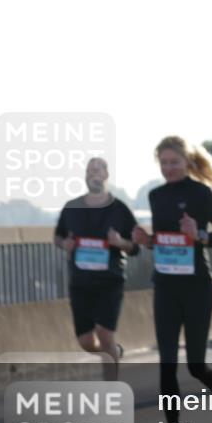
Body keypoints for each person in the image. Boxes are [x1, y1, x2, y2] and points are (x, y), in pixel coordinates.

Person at [131, 137, 212, 423]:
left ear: (187, 162)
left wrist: (199, 234)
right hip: (165, 286)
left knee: (195, 364)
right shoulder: (156, 195)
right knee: (167, 364)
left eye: (174, 162)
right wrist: (146, 240)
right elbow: (164, 239)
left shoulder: (201, 193)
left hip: (198, 287)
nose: (168, 168)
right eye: (163, 163)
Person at [54, 157, 138, 376]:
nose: (94, 174)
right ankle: (111, 352)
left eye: (98, 170)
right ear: (85, 176)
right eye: (90, 170)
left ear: (106, 175)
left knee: (105, 334)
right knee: (85, 341)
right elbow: (58, 236)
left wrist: (120, 242)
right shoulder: (72, 207)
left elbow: (136, 246)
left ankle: (110, 389)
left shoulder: (120, 209)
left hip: (110, 281)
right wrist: (65, 244)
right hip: (80, 283)